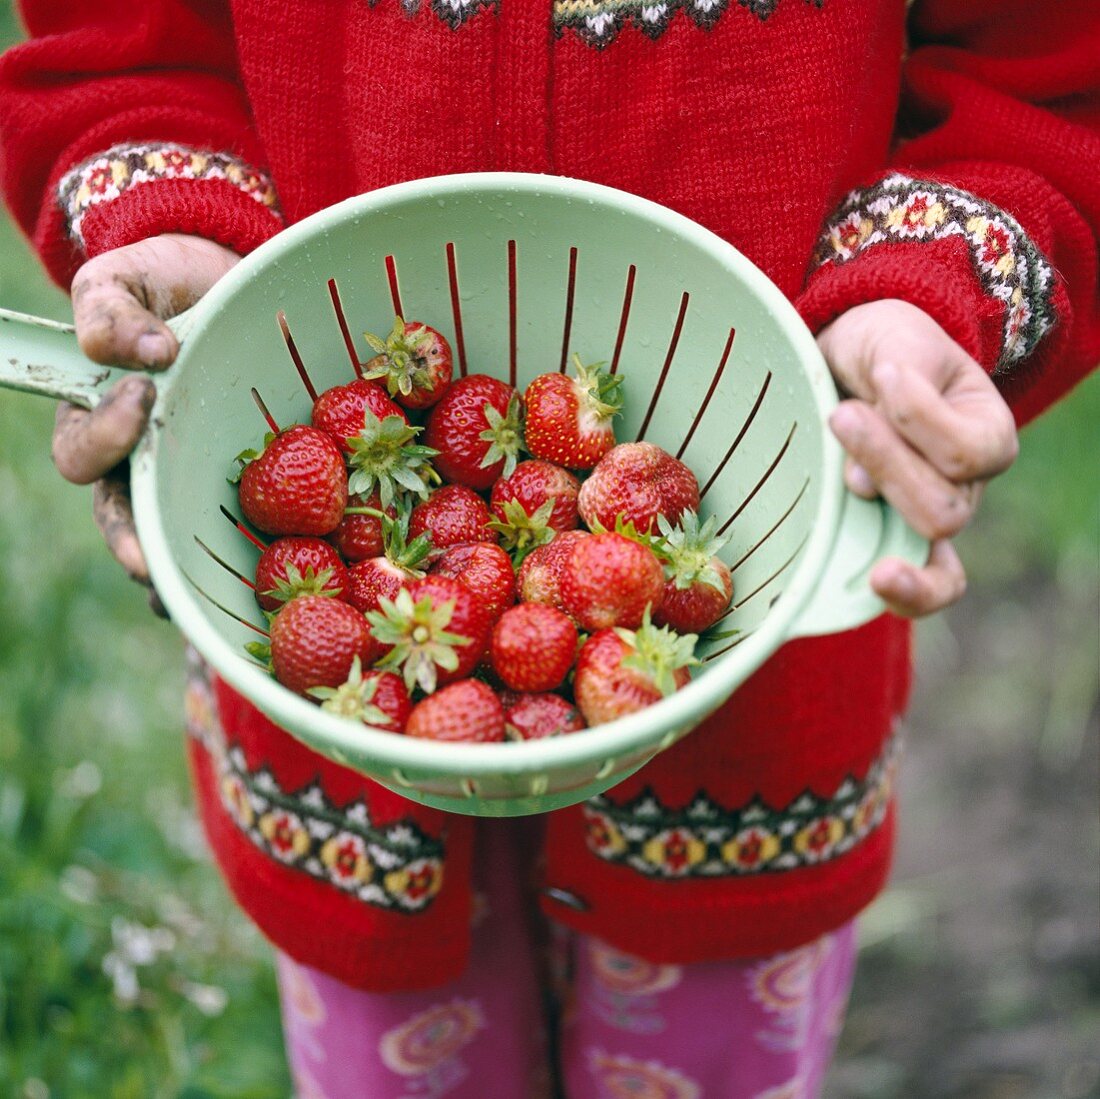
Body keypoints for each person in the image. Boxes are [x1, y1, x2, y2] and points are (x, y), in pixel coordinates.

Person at [1, 1, 1097, 1095]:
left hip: (754, 747)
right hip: (340, 777)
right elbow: (123, 38)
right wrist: (170, 222)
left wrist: (923, 291)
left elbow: (1045, 79)